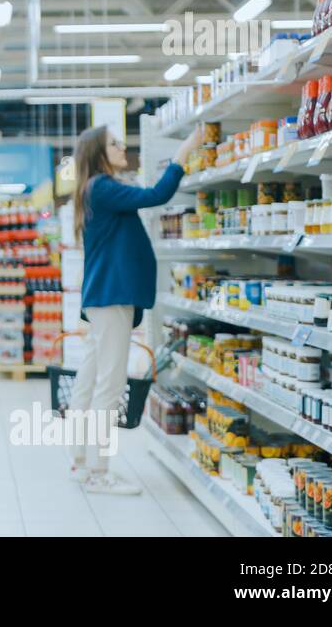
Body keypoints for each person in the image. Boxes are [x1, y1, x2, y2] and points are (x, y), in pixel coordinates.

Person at [69, 123, 203, 494]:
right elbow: (158, 194)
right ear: (98, 152)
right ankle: (99, 473)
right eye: (114, 143)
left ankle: (81, 462)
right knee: (109, 387)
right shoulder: (104, 187)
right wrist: (186, 149)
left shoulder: (93, 190)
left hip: (102, 298)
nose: (121, 146)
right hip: (112, 299)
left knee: (90, 381)